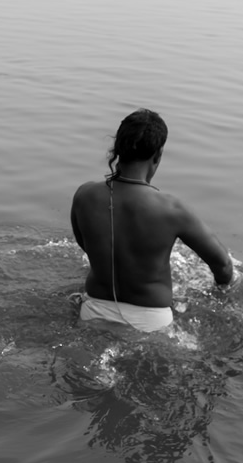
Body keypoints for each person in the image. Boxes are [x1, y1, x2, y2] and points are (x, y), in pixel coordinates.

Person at [70, 109, 234, 332]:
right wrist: (222, 295)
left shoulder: (84, 195)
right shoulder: (172, 209)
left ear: (118, 148)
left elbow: (85, 246)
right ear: (158, 154)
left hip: (93, 311)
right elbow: (222, 264)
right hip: (152, 322)